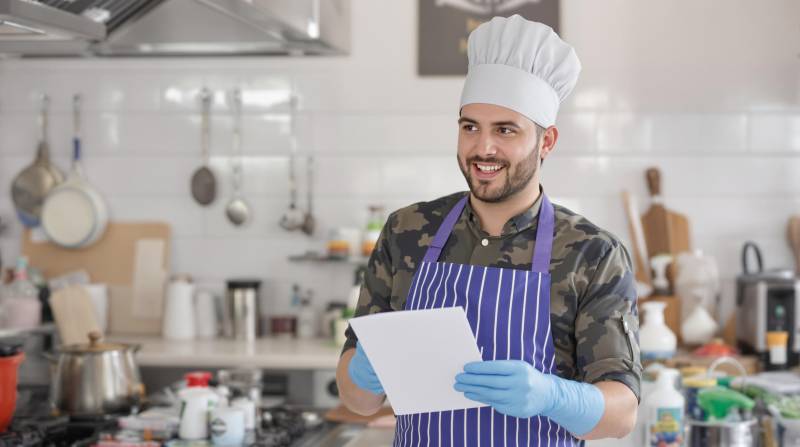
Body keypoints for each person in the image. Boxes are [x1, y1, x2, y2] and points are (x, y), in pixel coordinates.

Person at [336, 15, 641, 445]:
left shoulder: (591, 252)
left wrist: (553, 396)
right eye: (470, 127)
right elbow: (358, 402)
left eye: (505, 130)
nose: (483, 148)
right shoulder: (406, 231)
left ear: (546, 141)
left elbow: (622, 413)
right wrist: (364, 374)